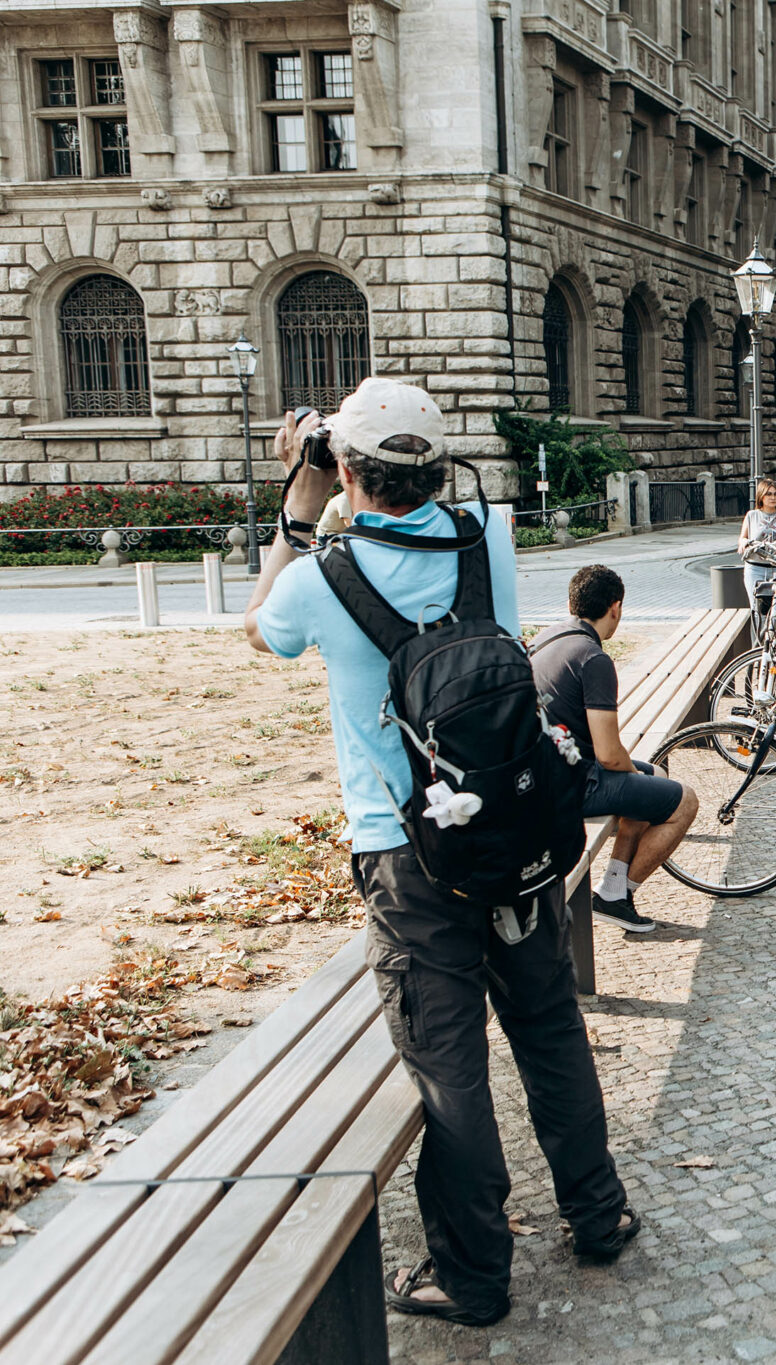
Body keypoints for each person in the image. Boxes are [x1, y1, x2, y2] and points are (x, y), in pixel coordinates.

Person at [243, 378, 636, 1326]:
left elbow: (259, 630)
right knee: (545, 1023)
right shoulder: (486, 539)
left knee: (447, 1058)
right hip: (511, 825)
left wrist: (301, 498)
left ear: (346, 470)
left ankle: (472, 1271)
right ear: (436, 464)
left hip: (405, 855)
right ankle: (597, 1211)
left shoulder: (316, 580)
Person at [529, 565, 699, 934]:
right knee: (684, 800)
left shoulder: (550, 637)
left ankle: (613, 889)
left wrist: (637, 775)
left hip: (545, 770)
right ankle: (617, 896)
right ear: (616, 607)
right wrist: (631, 773)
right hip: (570, 783)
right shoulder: (593, 658)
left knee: (656, 776)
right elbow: (608, 753)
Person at [736, 477, 776, 624]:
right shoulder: (752, 515)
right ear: (761, 496)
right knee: (757, 612)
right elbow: (742, 538)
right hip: (755, 568)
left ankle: (775, 645)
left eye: (775, 494)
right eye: (768, 494)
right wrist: (744, 543)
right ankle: (758, 645)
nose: (773, 497)